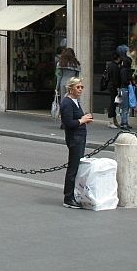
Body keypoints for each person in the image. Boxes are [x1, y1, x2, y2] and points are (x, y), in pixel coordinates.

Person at [60, 77, 93, 209]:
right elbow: (67, 123)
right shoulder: (67, 103)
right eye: (78, 87)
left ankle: (73, 194)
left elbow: (76, 119)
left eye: (81, 87)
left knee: (76, 166)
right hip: (74, 138)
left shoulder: (75, 101)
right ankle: (68, 197)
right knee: (73, 167)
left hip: (79, 136)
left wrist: (84, 119)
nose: (80, 89)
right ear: (71, 88)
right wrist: (82, 120)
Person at [117, 45, 133, 129]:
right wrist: (129, 80)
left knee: (125, 106)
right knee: (125, 106)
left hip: (123, 88)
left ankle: (125, 121)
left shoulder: (122, 68)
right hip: (125, 88)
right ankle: (124, 123)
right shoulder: (124, 70)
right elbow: (124, 80)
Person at [105, 54, 121, 129]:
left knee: (113, 102)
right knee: (113, 102)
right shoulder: (115, 67)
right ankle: (112, 120)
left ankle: (113, 120)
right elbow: (115, 78)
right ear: (117, 59)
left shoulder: (110, 65)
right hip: (113, 86)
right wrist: (118, 87)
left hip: (110, 85)